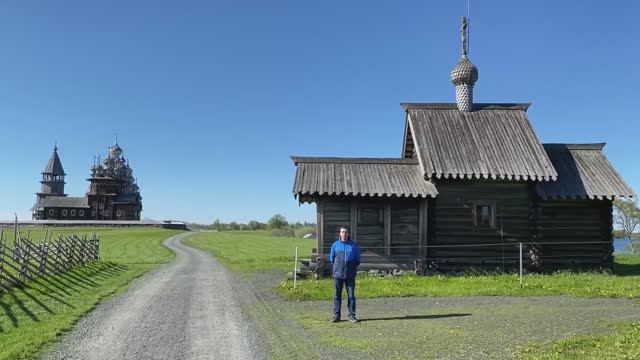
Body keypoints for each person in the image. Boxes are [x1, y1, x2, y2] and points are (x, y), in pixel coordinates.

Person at [328, 226, 361, 323]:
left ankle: (351, 316)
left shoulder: (354, 245)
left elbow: (358, 260)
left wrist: (351, 266)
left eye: (346, 232)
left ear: (349, 234)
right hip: (338, 275)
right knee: (336, 296)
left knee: (351, 296)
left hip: (350, 275)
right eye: (342, 232)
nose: (344, 234)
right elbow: (332, 258)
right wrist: (338, 267)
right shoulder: (335, 245)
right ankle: (336, 316)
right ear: (340, 233)